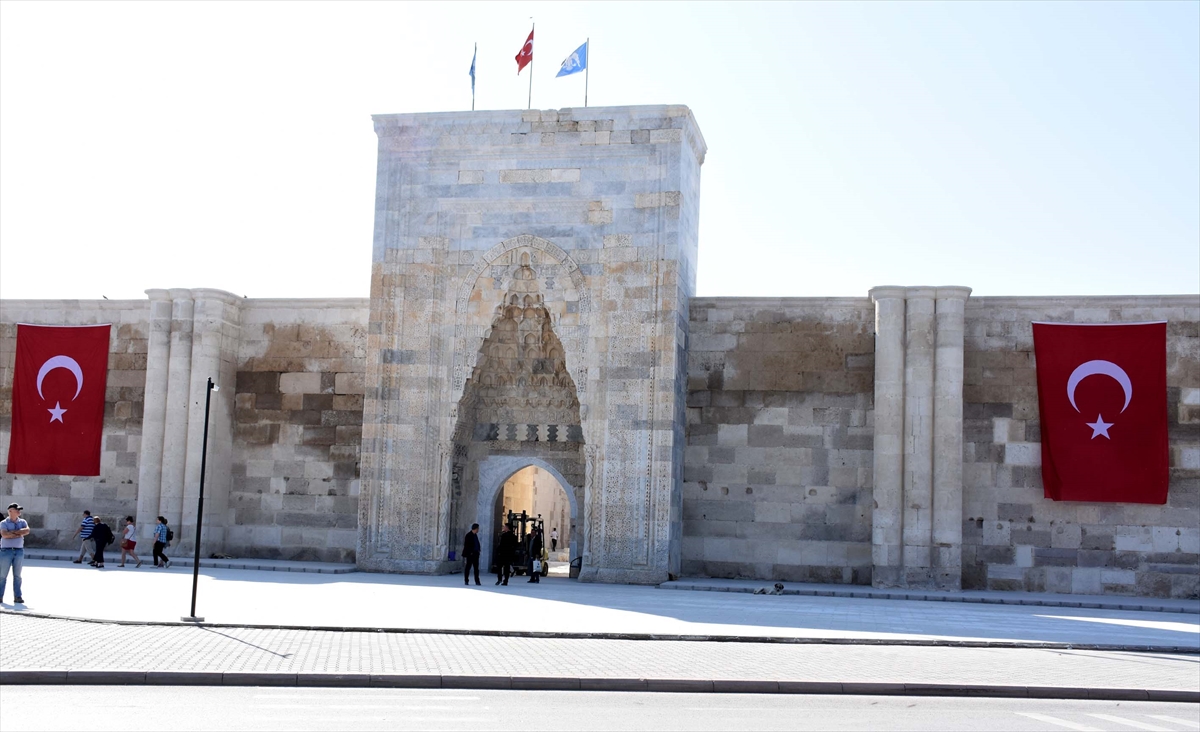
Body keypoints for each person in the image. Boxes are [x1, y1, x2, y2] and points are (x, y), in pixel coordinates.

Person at [0, 503, 30, 604]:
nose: (19, 511)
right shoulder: (4, 522)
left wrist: (12, 532)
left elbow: (27, 531)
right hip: (6, 551)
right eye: (16, 510)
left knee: (17, 576)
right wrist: (18, 533)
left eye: (19, 510)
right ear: (10, 511)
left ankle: (18, 597)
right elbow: (4, 534)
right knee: (2, 575)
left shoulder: (22, 521)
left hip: (19, 551)